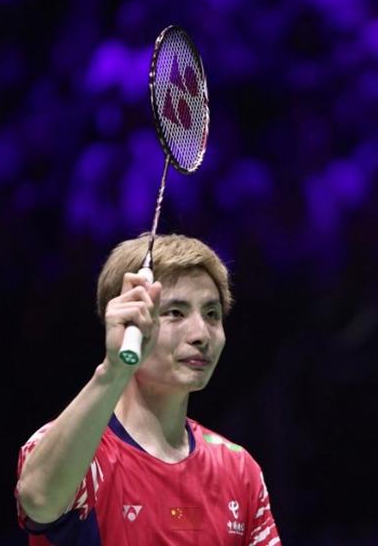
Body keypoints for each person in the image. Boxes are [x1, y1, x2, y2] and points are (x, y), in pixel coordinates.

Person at [15, 233, 280, 545]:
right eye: (174, 313)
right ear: (127, 321)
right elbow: (37, 499)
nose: (201, 334)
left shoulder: (238, 469)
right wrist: (114, 369)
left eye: (212, 314)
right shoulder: (82, 453)